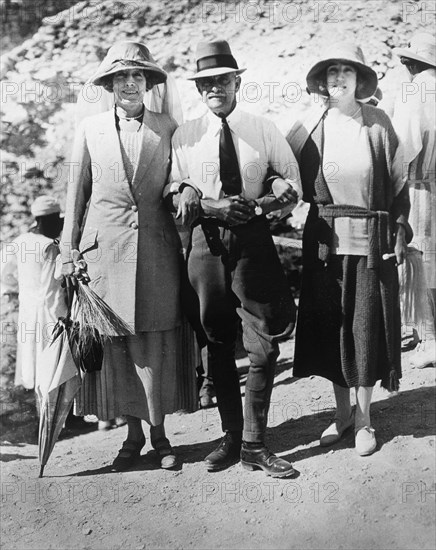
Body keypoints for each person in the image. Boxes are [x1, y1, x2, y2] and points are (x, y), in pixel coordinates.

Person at [166, 40, 301, 477]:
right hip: (205, 246)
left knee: (262, 346)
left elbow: (290, 182)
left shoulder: (261, 128)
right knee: (218, 344)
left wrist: (271, 197)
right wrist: (200, 201)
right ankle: (231, 436)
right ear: (199, 88)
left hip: (253, 243)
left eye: (222, 80)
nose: (214, 89)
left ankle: (255, 443)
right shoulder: (185, 134)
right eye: (205, 82)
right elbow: (172, 188)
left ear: (236, 80)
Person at [60, 41, 183, 471]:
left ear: (148, 83)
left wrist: (182, 191)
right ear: (110, 85)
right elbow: (76, 195)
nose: (130, 84)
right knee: (117, 347)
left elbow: (176, 181)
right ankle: (131, 438)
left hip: (155, 250)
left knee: (153, 343)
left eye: (138, 76)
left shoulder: (167, 127)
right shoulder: (90, 130)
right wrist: (69, 251)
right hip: (104, 253)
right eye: (121, 77)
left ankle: (160, 436)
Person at [287, 43, 410, 456]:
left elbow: (398, 186)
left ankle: (364, 420)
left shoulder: (378, 124)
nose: (338, 77)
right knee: (333, 330)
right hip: (325, 244)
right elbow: (283, 172)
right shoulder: (307, 126)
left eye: (347, 71)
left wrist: (397, 232)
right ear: (322, 80)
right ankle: (340, 415)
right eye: (331, 71)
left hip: (371, 242)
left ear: (360, 80)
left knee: (365, 329)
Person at [392, 32, 436, 367]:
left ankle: (429, 338)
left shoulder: (414, 91)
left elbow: (404, 146)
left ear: (409, 63)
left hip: (420, 184)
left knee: (420, 257)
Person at [1, 195, 67, 390]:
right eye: (57, 220)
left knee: (34, 360)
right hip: (50, 313)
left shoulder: (20, 241)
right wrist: (63, 315)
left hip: (29, 310)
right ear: (47, 220)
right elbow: (52, 287)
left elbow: (4, 274)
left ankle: (42, 411)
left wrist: (20, 288)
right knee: (52, 363)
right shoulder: (49, 246)